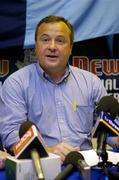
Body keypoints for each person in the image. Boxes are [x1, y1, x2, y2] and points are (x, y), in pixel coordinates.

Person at [0, 15, 118, 161]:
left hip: (85, 163)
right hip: (40, 163)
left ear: (70, 48)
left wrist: (116, 139)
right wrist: (47, 151)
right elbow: (10, 135)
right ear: (35, 46)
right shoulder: (16, 83)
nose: (52, 46)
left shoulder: (91, 82)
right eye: (45, 40)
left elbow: (109, 128)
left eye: (60, 41)